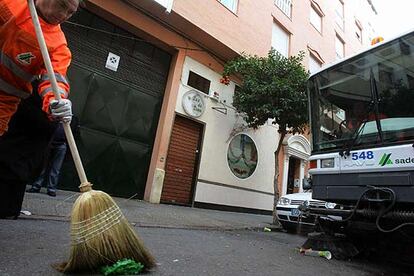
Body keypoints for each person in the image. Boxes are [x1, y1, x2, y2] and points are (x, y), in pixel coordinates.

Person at [0, 0, 79, 219]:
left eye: (71, 13)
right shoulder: (11, 4)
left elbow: (55, 80)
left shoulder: (57, 46)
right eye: (62, 6)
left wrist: (57, 101)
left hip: (3, 101)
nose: (64, 15)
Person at [27, 123, 67, 197]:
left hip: (61, 144)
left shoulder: (71, 119)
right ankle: (37, 186)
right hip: (49, 142)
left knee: (55, 168)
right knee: (43, 166)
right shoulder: (54, 115)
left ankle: (50, 188)